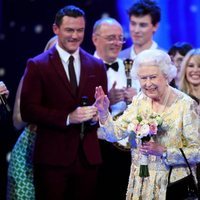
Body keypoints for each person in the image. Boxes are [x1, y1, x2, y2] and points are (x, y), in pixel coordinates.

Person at [20, 5, 107, 200]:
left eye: (80, 30)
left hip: (88, 159)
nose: (75, 36)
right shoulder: (38, 65)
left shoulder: (97, 65)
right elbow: (28, 110)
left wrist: (97, 115)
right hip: (52, 159)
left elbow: (102, 106)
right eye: (69, 30)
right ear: (55, 29)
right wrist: (68, 117)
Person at [95, 49, 200, 199]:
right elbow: (114, 134)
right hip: (142, 184)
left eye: (153, 77)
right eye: (143, 78)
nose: (148, 83)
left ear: (166, 76)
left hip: (173, 185)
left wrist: (164, 151)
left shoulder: (185, 105)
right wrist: (104, 112)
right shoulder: (139, 101)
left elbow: (197, 151)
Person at [92, 17, 139, 200]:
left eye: (120, 38)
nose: (117, 43)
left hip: (127, 151)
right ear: (95, 39)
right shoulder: (82, 67)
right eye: (111, 38)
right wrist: (106, 104)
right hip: (96, 148)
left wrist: (136, 98)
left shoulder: (131, 68)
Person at [6, 35, 58, 200]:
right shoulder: (30, 77)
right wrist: (38, 110)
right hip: (28, 152)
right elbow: (17, 122)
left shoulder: (79, 81)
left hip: (60, 151)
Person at [178, 48, 200, 112]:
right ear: (184, 69)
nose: (195, 70)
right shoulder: (177, 98)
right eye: (191, 66)